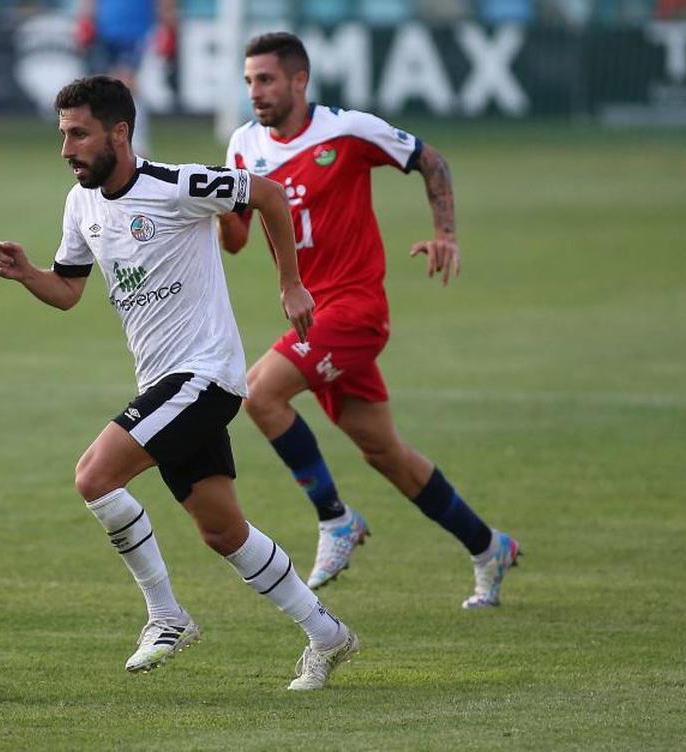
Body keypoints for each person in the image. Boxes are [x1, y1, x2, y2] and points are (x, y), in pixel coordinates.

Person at [0, 75, 358, 690]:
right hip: (165, 383)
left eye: (79, 134)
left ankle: (166, 615)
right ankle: (328, 635)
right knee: (222, 531)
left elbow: (267, 195)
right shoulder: (80, 204)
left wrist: (290, 282)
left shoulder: (176, 185)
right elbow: (69, 291)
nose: (66, 149)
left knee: (94, 476)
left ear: (120, 132)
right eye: (62, 135)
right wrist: (29, 273)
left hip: (205, 376)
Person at [220, 32, 519, 609]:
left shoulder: (347, 131)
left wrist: (445, 235)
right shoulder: (242, 145)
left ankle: (335, 520)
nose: (255, 92)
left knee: (258, 394)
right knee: (387, 454)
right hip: (314, 319)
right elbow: (234, 239)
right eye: (249, 81)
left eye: (266, 80)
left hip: (355, 309)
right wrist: (211, 208)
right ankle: (489, 547)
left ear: (299, 80)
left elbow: (429, 160)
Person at [74, 0, 178, 156]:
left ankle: (136, 144)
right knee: (105, 86)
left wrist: (167, 20)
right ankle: (112, 142)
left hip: (138, 28)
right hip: (106, 28)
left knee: (128, 83)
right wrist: (86, 18)